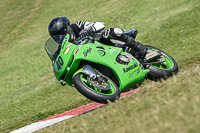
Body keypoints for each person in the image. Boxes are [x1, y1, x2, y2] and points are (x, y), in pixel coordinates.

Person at [48, 16, 150, 59]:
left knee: (108, 32)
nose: (59, 38)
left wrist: (88, 30)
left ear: (66, 29)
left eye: (60, 34)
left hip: (103, 43)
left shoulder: (77, 26)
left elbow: (100, 24)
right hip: (94, 56)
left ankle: (138, 46)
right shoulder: (64, 46)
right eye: (56, 37)